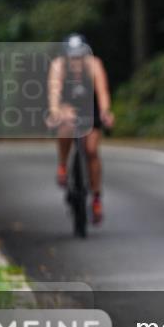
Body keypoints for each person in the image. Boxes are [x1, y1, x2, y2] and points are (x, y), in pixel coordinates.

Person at [47, 34, 114, 223]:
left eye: (80, 57)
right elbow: (54, 93)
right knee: (65, 126)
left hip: (89, 108)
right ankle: (63, 165)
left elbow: (102, 92)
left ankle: (96, 197)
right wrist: (55, 112)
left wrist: (105, 112)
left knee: (91, 150)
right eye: (72, 57)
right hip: (67, 107)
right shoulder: (58, 66)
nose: (76, 62)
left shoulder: (94, 65)